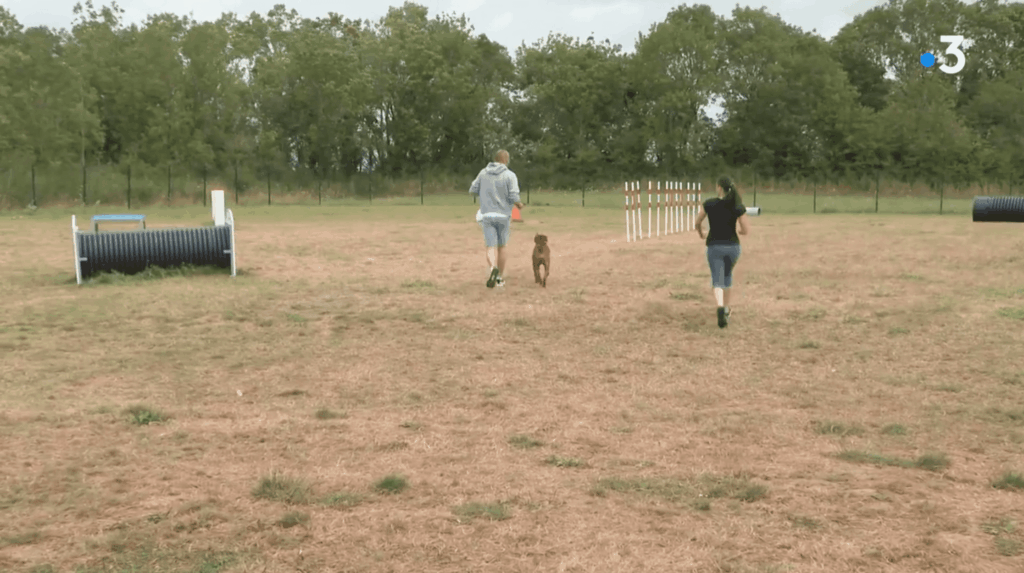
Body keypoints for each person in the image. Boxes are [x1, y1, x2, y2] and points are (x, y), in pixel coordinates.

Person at [695, 176, 751, 328]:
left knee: (717, 279)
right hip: (733, 247)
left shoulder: (709, 204)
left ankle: (720, 307)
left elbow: (697, 222)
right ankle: (726, 309)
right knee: (727, 276)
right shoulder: (737, 205)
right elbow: (745, 229)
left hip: (715, 246)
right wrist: (740, 231)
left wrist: (701, 233)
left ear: (719, 188)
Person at [469, 149, 524, 288]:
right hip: (503, 216)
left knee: (490, 246)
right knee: (502, 246)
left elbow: (472, 190)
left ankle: (493, 267)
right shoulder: (510, 175)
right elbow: (513, 196)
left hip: (487, 214)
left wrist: (485, 192)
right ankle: (499, 277)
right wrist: (519, 205)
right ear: (506, 160)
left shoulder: (483, 173)